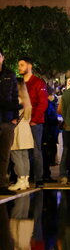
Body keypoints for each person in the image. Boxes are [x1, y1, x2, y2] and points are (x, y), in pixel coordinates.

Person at [17, 57, 48, 187]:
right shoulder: (18, 82)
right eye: (19, 65)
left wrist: (34, 120)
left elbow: (43, 103)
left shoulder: (38, 83)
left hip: (34, 122)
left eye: (22, 65)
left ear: (30, 66)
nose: (19, 67)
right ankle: (23, 177)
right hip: (21, 121)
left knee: (36, 150)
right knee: (21, 149)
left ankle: (38, 178)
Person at [9, 79, 33, 191]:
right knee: (24, 156)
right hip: (25, 129)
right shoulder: (27, 101)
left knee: (16, 155)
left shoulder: (16, 101)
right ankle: (26, 179)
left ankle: (20, 179)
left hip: (17, 129)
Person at [0, 49, 18, 195]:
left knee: (4, 154)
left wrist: (15, 117)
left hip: (7, 119)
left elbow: (14, 95)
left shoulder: (9, 75)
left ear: (2, 58)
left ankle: (2, 183)